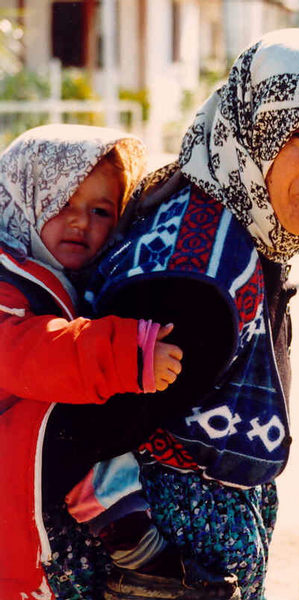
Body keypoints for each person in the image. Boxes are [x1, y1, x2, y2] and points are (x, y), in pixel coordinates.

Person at [78, 28, 299, 600]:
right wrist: (148, 556)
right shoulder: (203, 280)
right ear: (252, 134)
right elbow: (80, 437)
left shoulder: (218, 212)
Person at [0, 124, 183, 600]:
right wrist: (127, 352)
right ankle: (126, 530)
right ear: (23, 200)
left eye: (101, 210)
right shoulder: (5, 281)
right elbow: (29, 353)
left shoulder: (68, 281)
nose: (80, 222)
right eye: (60, 204)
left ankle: (125, 529)